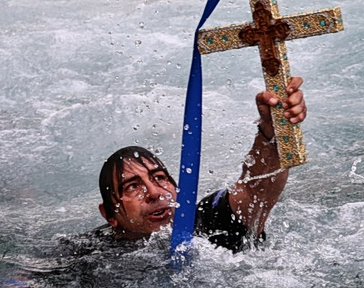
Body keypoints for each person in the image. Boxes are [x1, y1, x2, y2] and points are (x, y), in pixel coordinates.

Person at [88, 77, 308, 253]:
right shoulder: (89, 254)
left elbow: (255, 188)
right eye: (133, 187)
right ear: (109, 215)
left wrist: (272, 126)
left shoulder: (208, 223)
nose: (154, 193)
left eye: (160, 178)